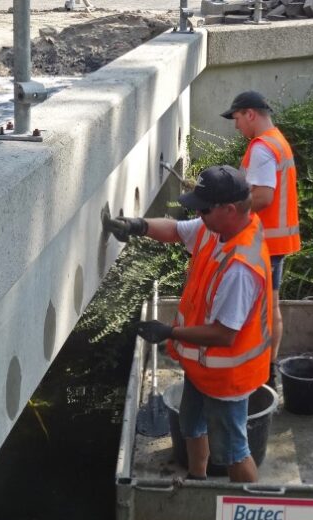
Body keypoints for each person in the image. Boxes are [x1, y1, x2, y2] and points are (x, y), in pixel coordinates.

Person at [103, 165, 273, 483]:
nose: (199, 214)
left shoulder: (240, 268)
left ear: (229, 209)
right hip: (202, 366)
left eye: (203, 209)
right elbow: (178, 230)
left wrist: (169, 332)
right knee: (192, 425)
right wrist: (138, 226)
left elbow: (224, 335)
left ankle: (247, 513)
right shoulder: (218, 228)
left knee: (234, 452)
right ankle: (197, 480)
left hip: (226, 378)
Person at [221, 90, 300, 380]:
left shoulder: (262, 147)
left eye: (237, 117)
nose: (236, 125)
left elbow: (264, 197)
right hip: (272, 242)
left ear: (251, 114)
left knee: (264, 310)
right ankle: (267, 369)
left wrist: (225, 208)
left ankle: (262, 372)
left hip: (264, 242)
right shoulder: (277, 141)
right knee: (271, 307)